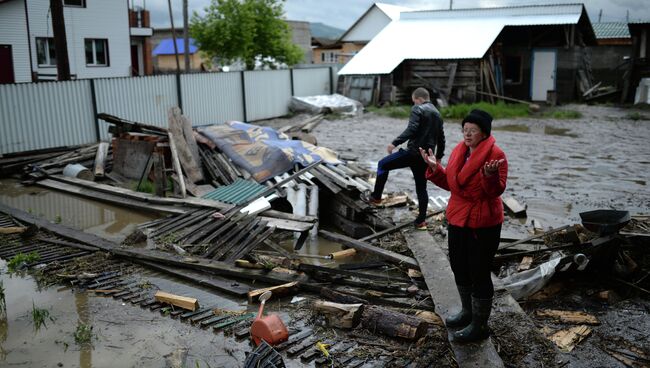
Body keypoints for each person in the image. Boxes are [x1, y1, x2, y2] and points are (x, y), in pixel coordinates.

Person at [419, 109, 507, 342]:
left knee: (479, 272)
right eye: (465, 129)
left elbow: (497, 191)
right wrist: (436, 169)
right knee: (459, 266)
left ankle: (480, 326)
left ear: (484, 132)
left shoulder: (496, 154)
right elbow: (453, 184)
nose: (467, 134)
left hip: (483, 221)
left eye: (473, 130)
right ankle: (467, 312)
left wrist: (489, 177)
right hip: (458, 217)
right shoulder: (460, 150)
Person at [365, 87, 445, 230]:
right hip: (425, 157)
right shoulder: (438, 114)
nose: (414, 103)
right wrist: (438, 157)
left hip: (412, 153)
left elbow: (412, 129)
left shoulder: (417, 109)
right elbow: (441, 139)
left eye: (414, 101)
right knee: (422, 187)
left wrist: (394, 143)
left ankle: (376, 197)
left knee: (382, 164)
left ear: (418, 99)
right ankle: (421, 221)